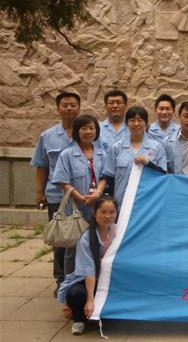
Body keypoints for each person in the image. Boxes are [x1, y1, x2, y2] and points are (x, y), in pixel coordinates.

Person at [31, 92, 81, 296]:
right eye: (65, 105)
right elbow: (42, 165)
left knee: (82, 239)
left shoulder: (87, 132)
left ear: (79, 108)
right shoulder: (48, 136)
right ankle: (61, 280)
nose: (69, 108)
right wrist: (39, 192)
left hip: (83, 197)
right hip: (57, 197)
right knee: (60, 240)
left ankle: (80, 278)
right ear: (58, 108)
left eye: (73, 105)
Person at [52, 115, 106, 274]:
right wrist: (80, 198)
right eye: (83, 128)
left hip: (97, 208)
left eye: (91, 128)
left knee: (97, 247)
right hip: (76, 209)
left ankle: (93, 281)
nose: (88, 132)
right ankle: (70, 282)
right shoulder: (67, 155)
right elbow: (62, 181)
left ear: (96, 131)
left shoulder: (102, 154)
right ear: (77, 131)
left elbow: (106, 176)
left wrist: (98, 193)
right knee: (73, 249)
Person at [57, 196, 117, 335]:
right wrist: (90, 300)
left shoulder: (118, 231)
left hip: (110, 279)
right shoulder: (86, 239)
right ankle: (79, 319)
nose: (108, 216)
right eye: (103, 212)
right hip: (88, 280)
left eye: (112, 212)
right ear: (95, 213)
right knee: (76, 294)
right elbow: (89, 271)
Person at [100, 106, 167, 207]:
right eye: (132, 120)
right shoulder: (117, 148)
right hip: (121, 202)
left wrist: (147, 163)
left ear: (146, 123)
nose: (136, 124)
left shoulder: (156, 147)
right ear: (126, 124)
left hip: (147, 201)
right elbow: (109, 177)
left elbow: (162, 174)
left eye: (140, 120)